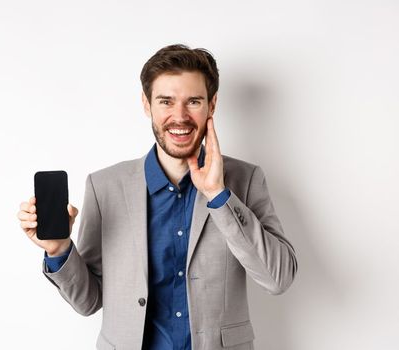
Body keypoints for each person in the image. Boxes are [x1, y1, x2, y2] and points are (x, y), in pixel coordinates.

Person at [17, 44, 297, 350]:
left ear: (212, 105)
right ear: (147, 104)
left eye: (193, 101)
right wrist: (59, 249)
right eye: (166, 101)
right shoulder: (105, 186)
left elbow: (278, 278)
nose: (179, 116)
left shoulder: (246, 179)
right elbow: (88, 301)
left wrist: (219, 195)